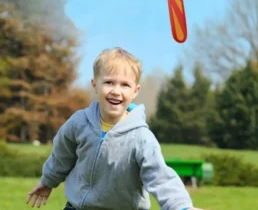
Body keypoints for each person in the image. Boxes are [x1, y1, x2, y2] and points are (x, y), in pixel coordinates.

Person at [26, 47, 204, 210]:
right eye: (109, 82)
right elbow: (62, 155)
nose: (116, 91)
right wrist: (48, 181)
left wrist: (182, 207)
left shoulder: (141, 137)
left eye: (125, 85)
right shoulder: (79, 122)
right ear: (95, 84)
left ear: (135, 91)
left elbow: (160, 176)